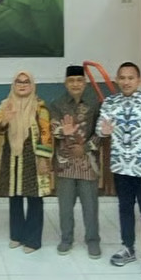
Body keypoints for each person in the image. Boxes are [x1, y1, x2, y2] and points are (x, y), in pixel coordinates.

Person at [97, 61, 141, 276]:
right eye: (122, 78)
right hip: (121, 166)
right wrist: (104, 130)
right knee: (124, 208)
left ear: (139, 80)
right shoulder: (110, 103)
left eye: (130, 78)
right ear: (117, 80)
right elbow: (100, 129)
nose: (126, 82)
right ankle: (128, 247)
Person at [0, 71, 53, 253]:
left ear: (32, 85)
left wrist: (43, 159)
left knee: (34, 198)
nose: (22, 85)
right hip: (12, 157)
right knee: (14, 197)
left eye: (26, 82)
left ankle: (33, 240)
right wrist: (5, 120)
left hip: (32, 157)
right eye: (18, 82)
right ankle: (17, 235)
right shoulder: (6, 104)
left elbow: (46, 135)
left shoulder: (40, 107)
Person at [49, 65, 102, 258]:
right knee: (65, 206)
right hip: (65, 163)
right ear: (65, 83)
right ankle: (66, 239)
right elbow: (53, 129)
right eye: (71, 81)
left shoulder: (95, 103)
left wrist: (85, 148)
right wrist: (62, 131)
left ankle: (93, 241)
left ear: (85, 83)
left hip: (88, 162)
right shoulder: (57, 104)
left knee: (90, 206)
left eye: (79, 80)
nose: (75, 84)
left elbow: (100, 132)